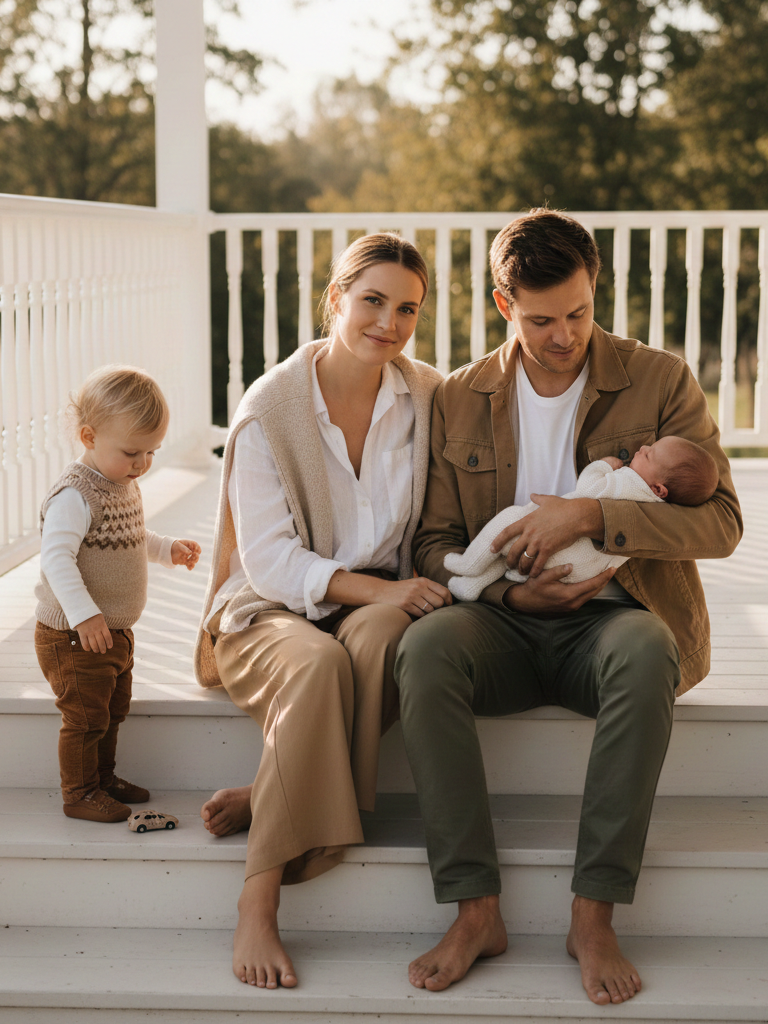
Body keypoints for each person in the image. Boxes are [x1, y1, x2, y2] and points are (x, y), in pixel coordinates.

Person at [394, 209, 742, 1006]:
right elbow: (434, 543)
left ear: (595, 291)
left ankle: (595, 915)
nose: (565, 335)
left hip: (614, 621)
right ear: (501, 302)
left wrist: (588, 516)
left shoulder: (660, 379)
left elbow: (721, 523)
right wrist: (516, 593)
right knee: (424, 650)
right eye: (542, 319)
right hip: (501, 619)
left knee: (649, 650)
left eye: (580, 313)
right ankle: (475, 908)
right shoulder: (459, 396)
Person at [193, 233, 448, 990]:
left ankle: (277, 785)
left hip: (375, 602)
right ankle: (259, 899)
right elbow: (268, 562)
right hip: (268, 609)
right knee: (318, 660)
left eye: (407, 308)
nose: (389, 322)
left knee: (374, 642)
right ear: (335, 298)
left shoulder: (427, 396)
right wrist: (379, 590)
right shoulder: (271, 406)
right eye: (372, 300)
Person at [34, 366, 201, 824]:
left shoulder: (121, 483)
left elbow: (131, 536)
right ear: (89, 436)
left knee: (111, 711)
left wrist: (167, 549)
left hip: (112, 633)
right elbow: (56, 560)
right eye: (132, 452)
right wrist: (84, 615)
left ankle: (103, 779)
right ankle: (79, 792)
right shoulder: (75, 495)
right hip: (74, 635)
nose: (142, 464)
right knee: (85, 718)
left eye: (151, 452)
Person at [446, 435, 719, 600]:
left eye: (648, 454)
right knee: (513, 561)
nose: (642, 448)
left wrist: (601, 466)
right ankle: (473, 586)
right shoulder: (656, 507)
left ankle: (469, 564)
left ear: (659, 488)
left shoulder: (629, 483)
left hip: (562, 551)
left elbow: (587, 491)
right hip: (578, 571)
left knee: (511, 520)